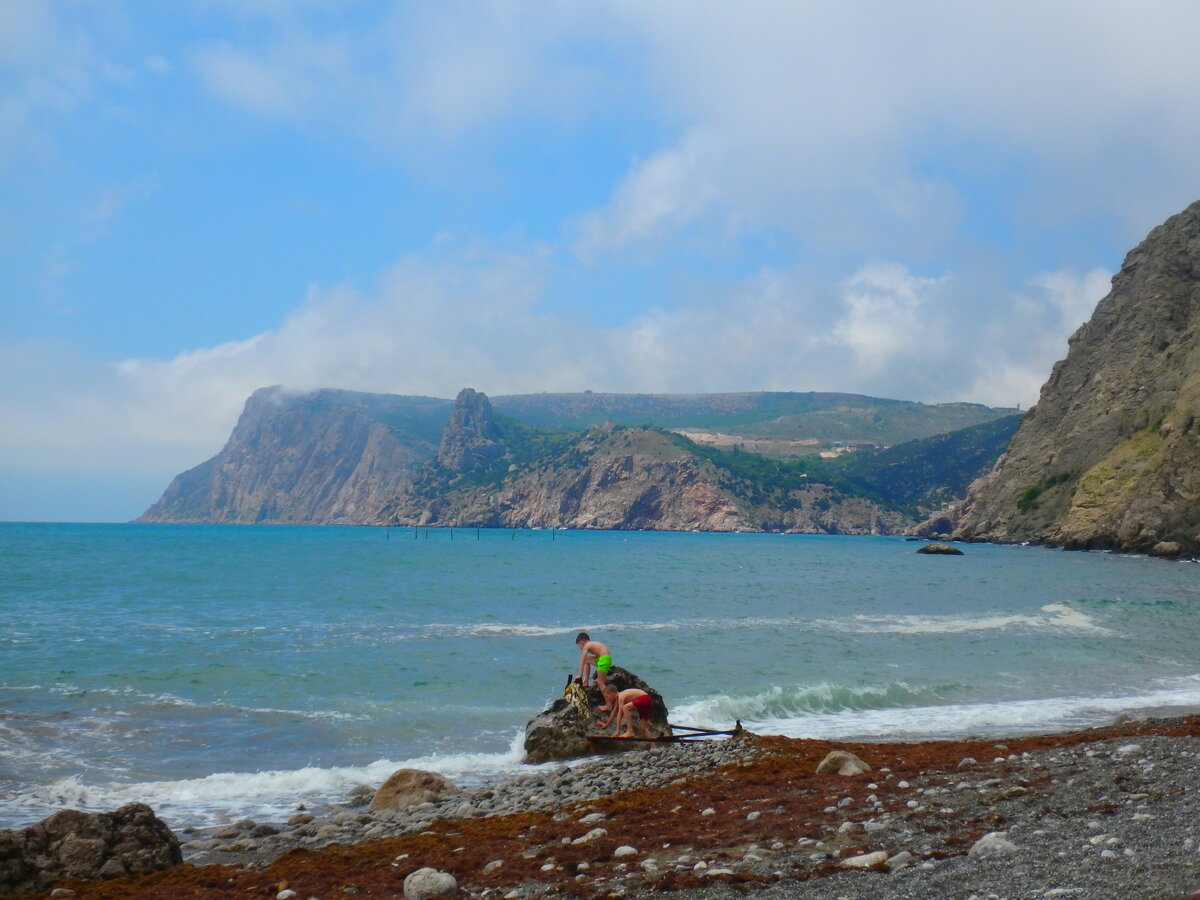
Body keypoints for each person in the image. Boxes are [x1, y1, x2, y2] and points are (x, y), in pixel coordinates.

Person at [575, 632, 613, 703]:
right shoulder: (592, 644)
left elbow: (582, 660)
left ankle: (609, 703)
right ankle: (586, 681)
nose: (580, 648)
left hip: (604, 660)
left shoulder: (587, 645)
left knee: (601, 683)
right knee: (587, 659)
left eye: (579, 646)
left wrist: (580, 675)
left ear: (582, 642)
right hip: (605, 659)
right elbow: (586, 660)